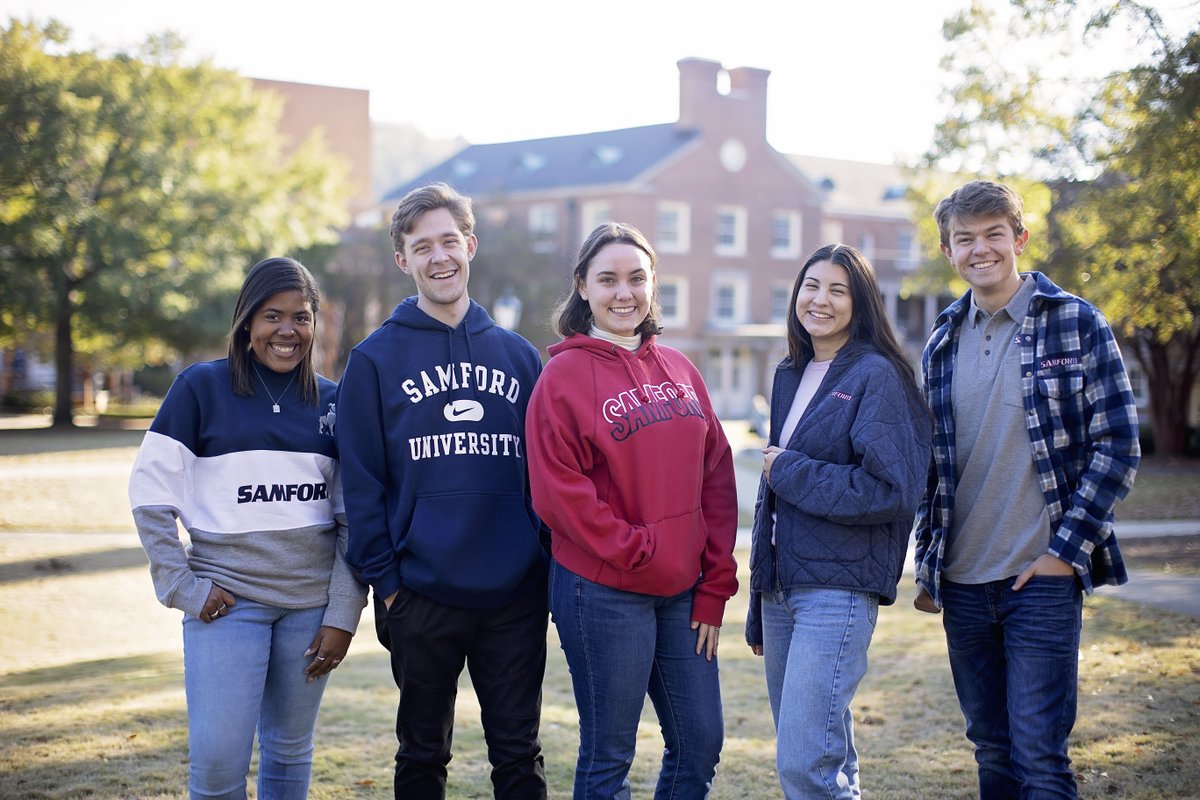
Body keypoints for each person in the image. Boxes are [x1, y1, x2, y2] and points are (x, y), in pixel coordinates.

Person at [914, 180, 1141, 799]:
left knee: (1040, 757)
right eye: (966, 239)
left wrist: (1062, 555)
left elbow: (1118, 445)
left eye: (993, 234)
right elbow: (932, 468)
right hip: (962, 583)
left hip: (1039, 579)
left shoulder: (1075, 321)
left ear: (1020, 238)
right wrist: (927, 565)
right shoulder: (939, 341)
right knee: (992, 749)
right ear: (948, 249)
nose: (980, 249)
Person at [335, 182, 549, 800]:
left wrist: (539, 562)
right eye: (422, 246)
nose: (439, 257)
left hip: (513, 594)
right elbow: (362, 482)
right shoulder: (374, 361)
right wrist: (389, 582)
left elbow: (544, 474)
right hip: (420, 593)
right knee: (423, 756)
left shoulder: (519, 357)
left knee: (518, 754)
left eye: (449, 241)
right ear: (404, 260)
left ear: (470, 246)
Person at [128, 256, 367, 799]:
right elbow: (149, 495)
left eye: (301, 317)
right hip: (229, 604)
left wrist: (342, 614)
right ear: (246, 322)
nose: (287, 331)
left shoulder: (334, 403)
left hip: (309, 612)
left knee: (288, 752)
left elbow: (354, 521)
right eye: (271, 316)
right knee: (216, 765)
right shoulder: (200, 389)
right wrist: (181, 587)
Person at [525, 222, 739, 799]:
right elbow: (557, 491)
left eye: (637, 278)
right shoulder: (562, 377)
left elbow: (715, 475)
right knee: (609, 755)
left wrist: (715, 582)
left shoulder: (680, 369)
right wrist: (637, 548)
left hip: (684, 592)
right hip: (602, 589)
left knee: (700, 743)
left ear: (652, 285)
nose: (625, 293)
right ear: (582, 287)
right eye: (608, 279)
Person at [743, 243, 933, 798]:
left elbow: (894, 491)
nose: (819, 300)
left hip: (838, 590)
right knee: (823, 755)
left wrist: (794, 471)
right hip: (782, 588)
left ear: (861, 302)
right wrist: (760, 599)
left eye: (837, 290)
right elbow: (772, 501)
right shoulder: (789, 374)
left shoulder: (877, 376)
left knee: (804, 763)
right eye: (810, 286)